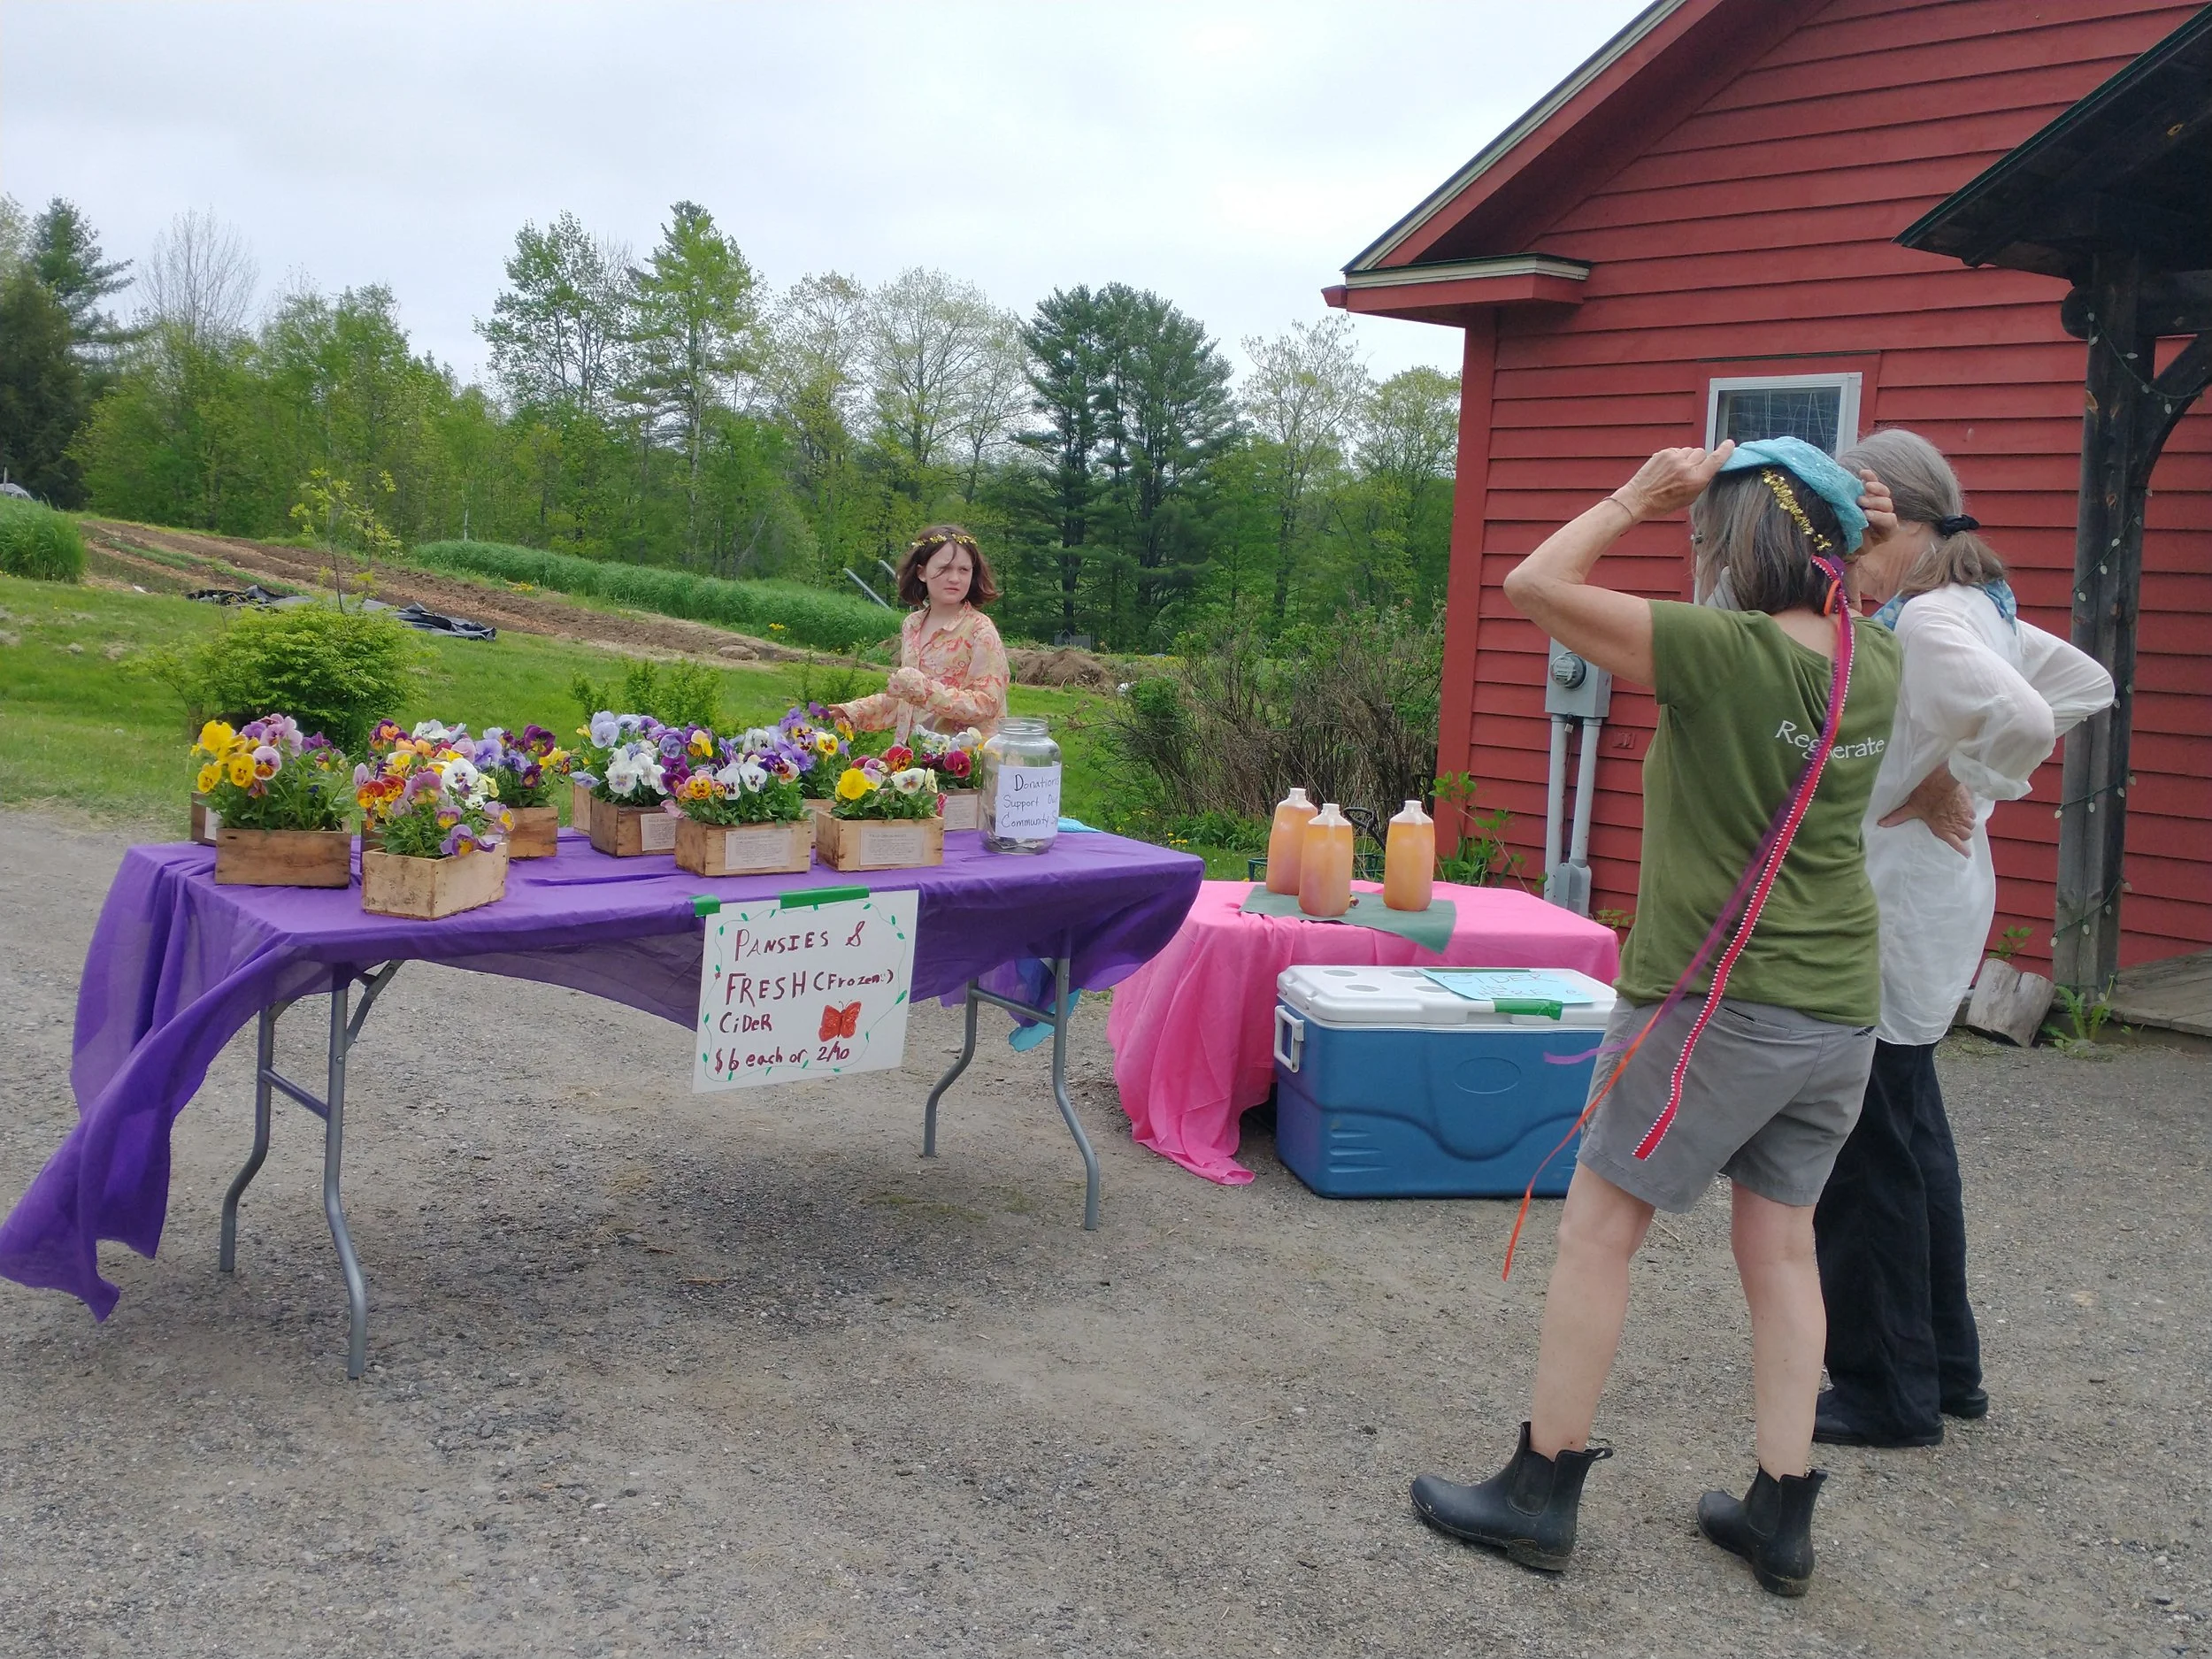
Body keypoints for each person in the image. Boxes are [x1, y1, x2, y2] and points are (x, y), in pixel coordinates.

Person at [1408, 435, 1902, 1598]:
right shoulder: (1873, 658)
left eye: (1705, 532)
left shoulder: (1721, 652)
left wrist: (1636, 493)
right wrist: (1864, 540)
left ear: (1743, 542)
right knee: (1783, 1246)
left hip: (1718, 999)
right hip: (1838, 1004)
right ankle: (1780, 1512)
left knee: (1598, 1230)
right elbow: (1858, 597)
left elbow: (1533, 584)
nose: (1696, 549)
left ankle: (1538, 1491)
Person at [1811, 429, 2114, 1448]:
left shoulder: (1936, 619)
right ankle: (1945, 1369)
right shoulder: (1974, 603)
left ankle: (1885, 1393)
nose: (1843, 556)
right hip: (1934, 902)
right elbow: (2084, 681)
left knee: (1866, 1157)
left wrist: (1966, 778)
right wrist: (1958, 774)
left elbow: (2030, 712)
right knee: (1911, 1139)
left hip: (1896, 911)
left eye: (1852, 532)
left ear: (1892, 515)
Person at [833, 525, 1010, 743]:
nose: (955, 578)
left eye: (964, 570)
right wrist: (856, 711)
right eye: (944, 568)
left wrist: (925, 691)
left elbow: (987, 704)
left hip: (965, 757)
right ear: (921, 572)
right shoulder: (912, 625)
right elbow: (908, 698)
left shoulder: (980, 630)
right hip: (913, 755)